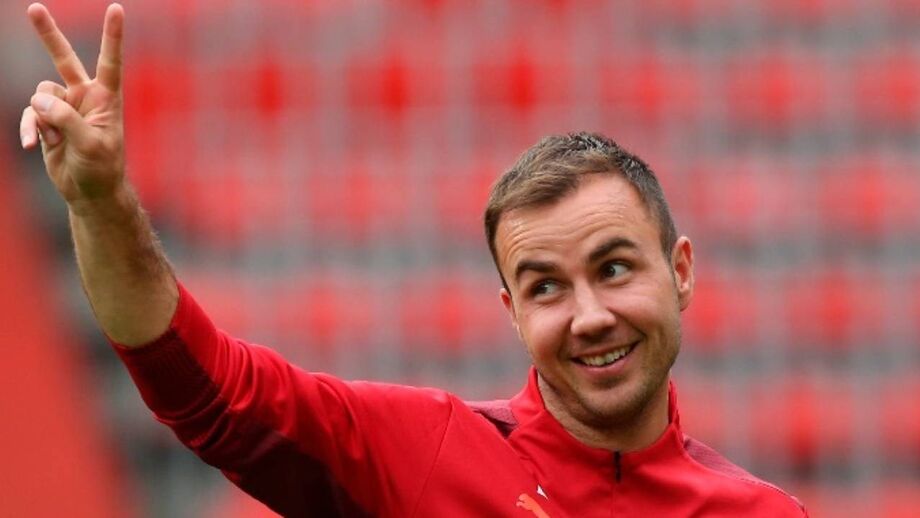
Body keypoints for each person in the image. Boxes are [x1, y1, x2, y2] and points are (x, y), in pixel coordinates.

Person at [20, 3, 808, 517]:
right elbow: (207, 392)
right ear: (512, 312)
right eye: (546, 287)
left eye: (613, 269)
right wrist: (101, 201)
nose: (590, 316)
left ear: (680, 271)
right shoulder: (426, 453)